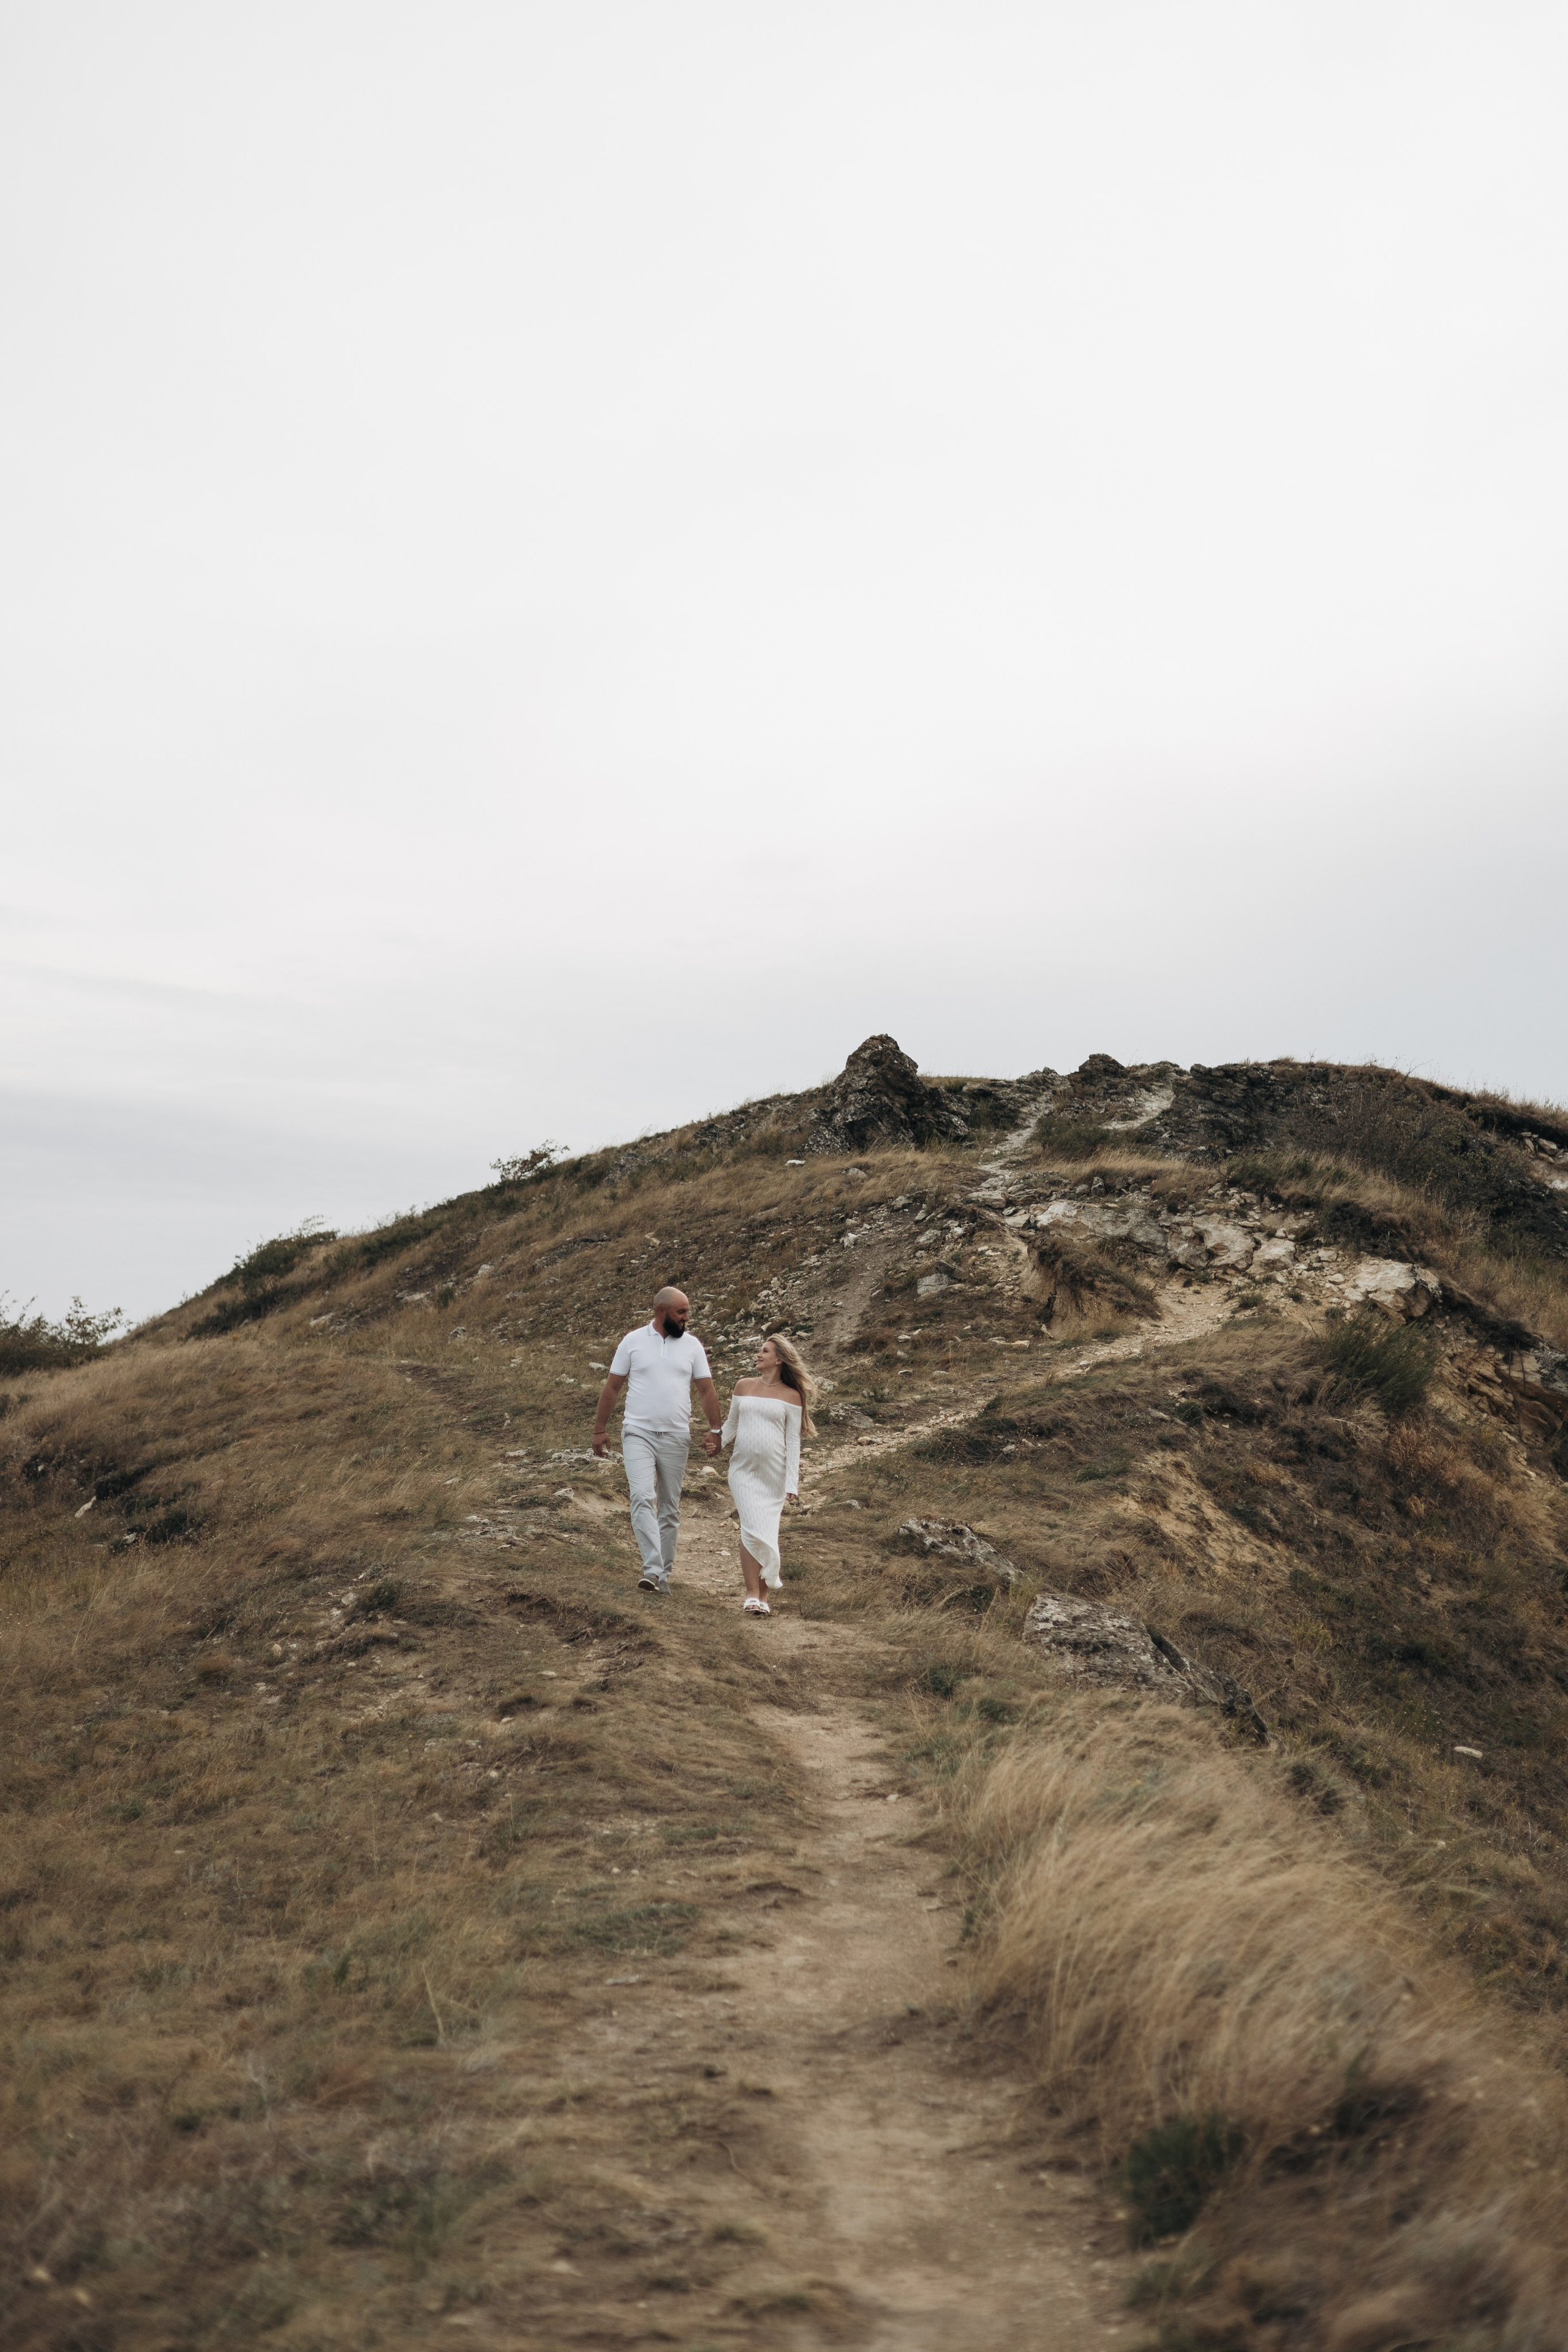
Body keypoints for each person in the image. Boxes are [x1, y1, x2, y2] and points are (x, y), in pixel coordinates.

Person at [592, 1286, 723, 1595]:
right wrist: (600, 1429)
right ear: (661, 1312)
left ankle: (663, 1575)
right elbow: (612, 1387)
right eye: (681, 1312)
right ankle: (652, 1568)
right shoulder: (633, 1341)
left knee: (669, 1509)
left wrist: (716, 1429)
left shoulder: (692, 1346)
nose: (686, 1318)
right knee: (641, 1496)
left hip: (677, 1436)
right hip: (637, 1432)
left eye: (687, 1312)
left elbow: (706, 1389)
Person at [717, 1333, 817, 1616]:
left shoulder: (792, 1395)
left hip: (773, 1474)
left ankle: (763, 1596)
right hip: (743, 1471)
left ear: (780, 1359)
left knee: (767, 1532)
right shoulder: (744, 1386)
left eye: (764, 1351)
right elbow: (732, 1424)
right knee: (751, 1529)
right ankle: (751, 1594)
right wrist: (716, 1442)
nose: (758, 1355)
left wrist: (792, 1482)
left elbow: (794, 1441)